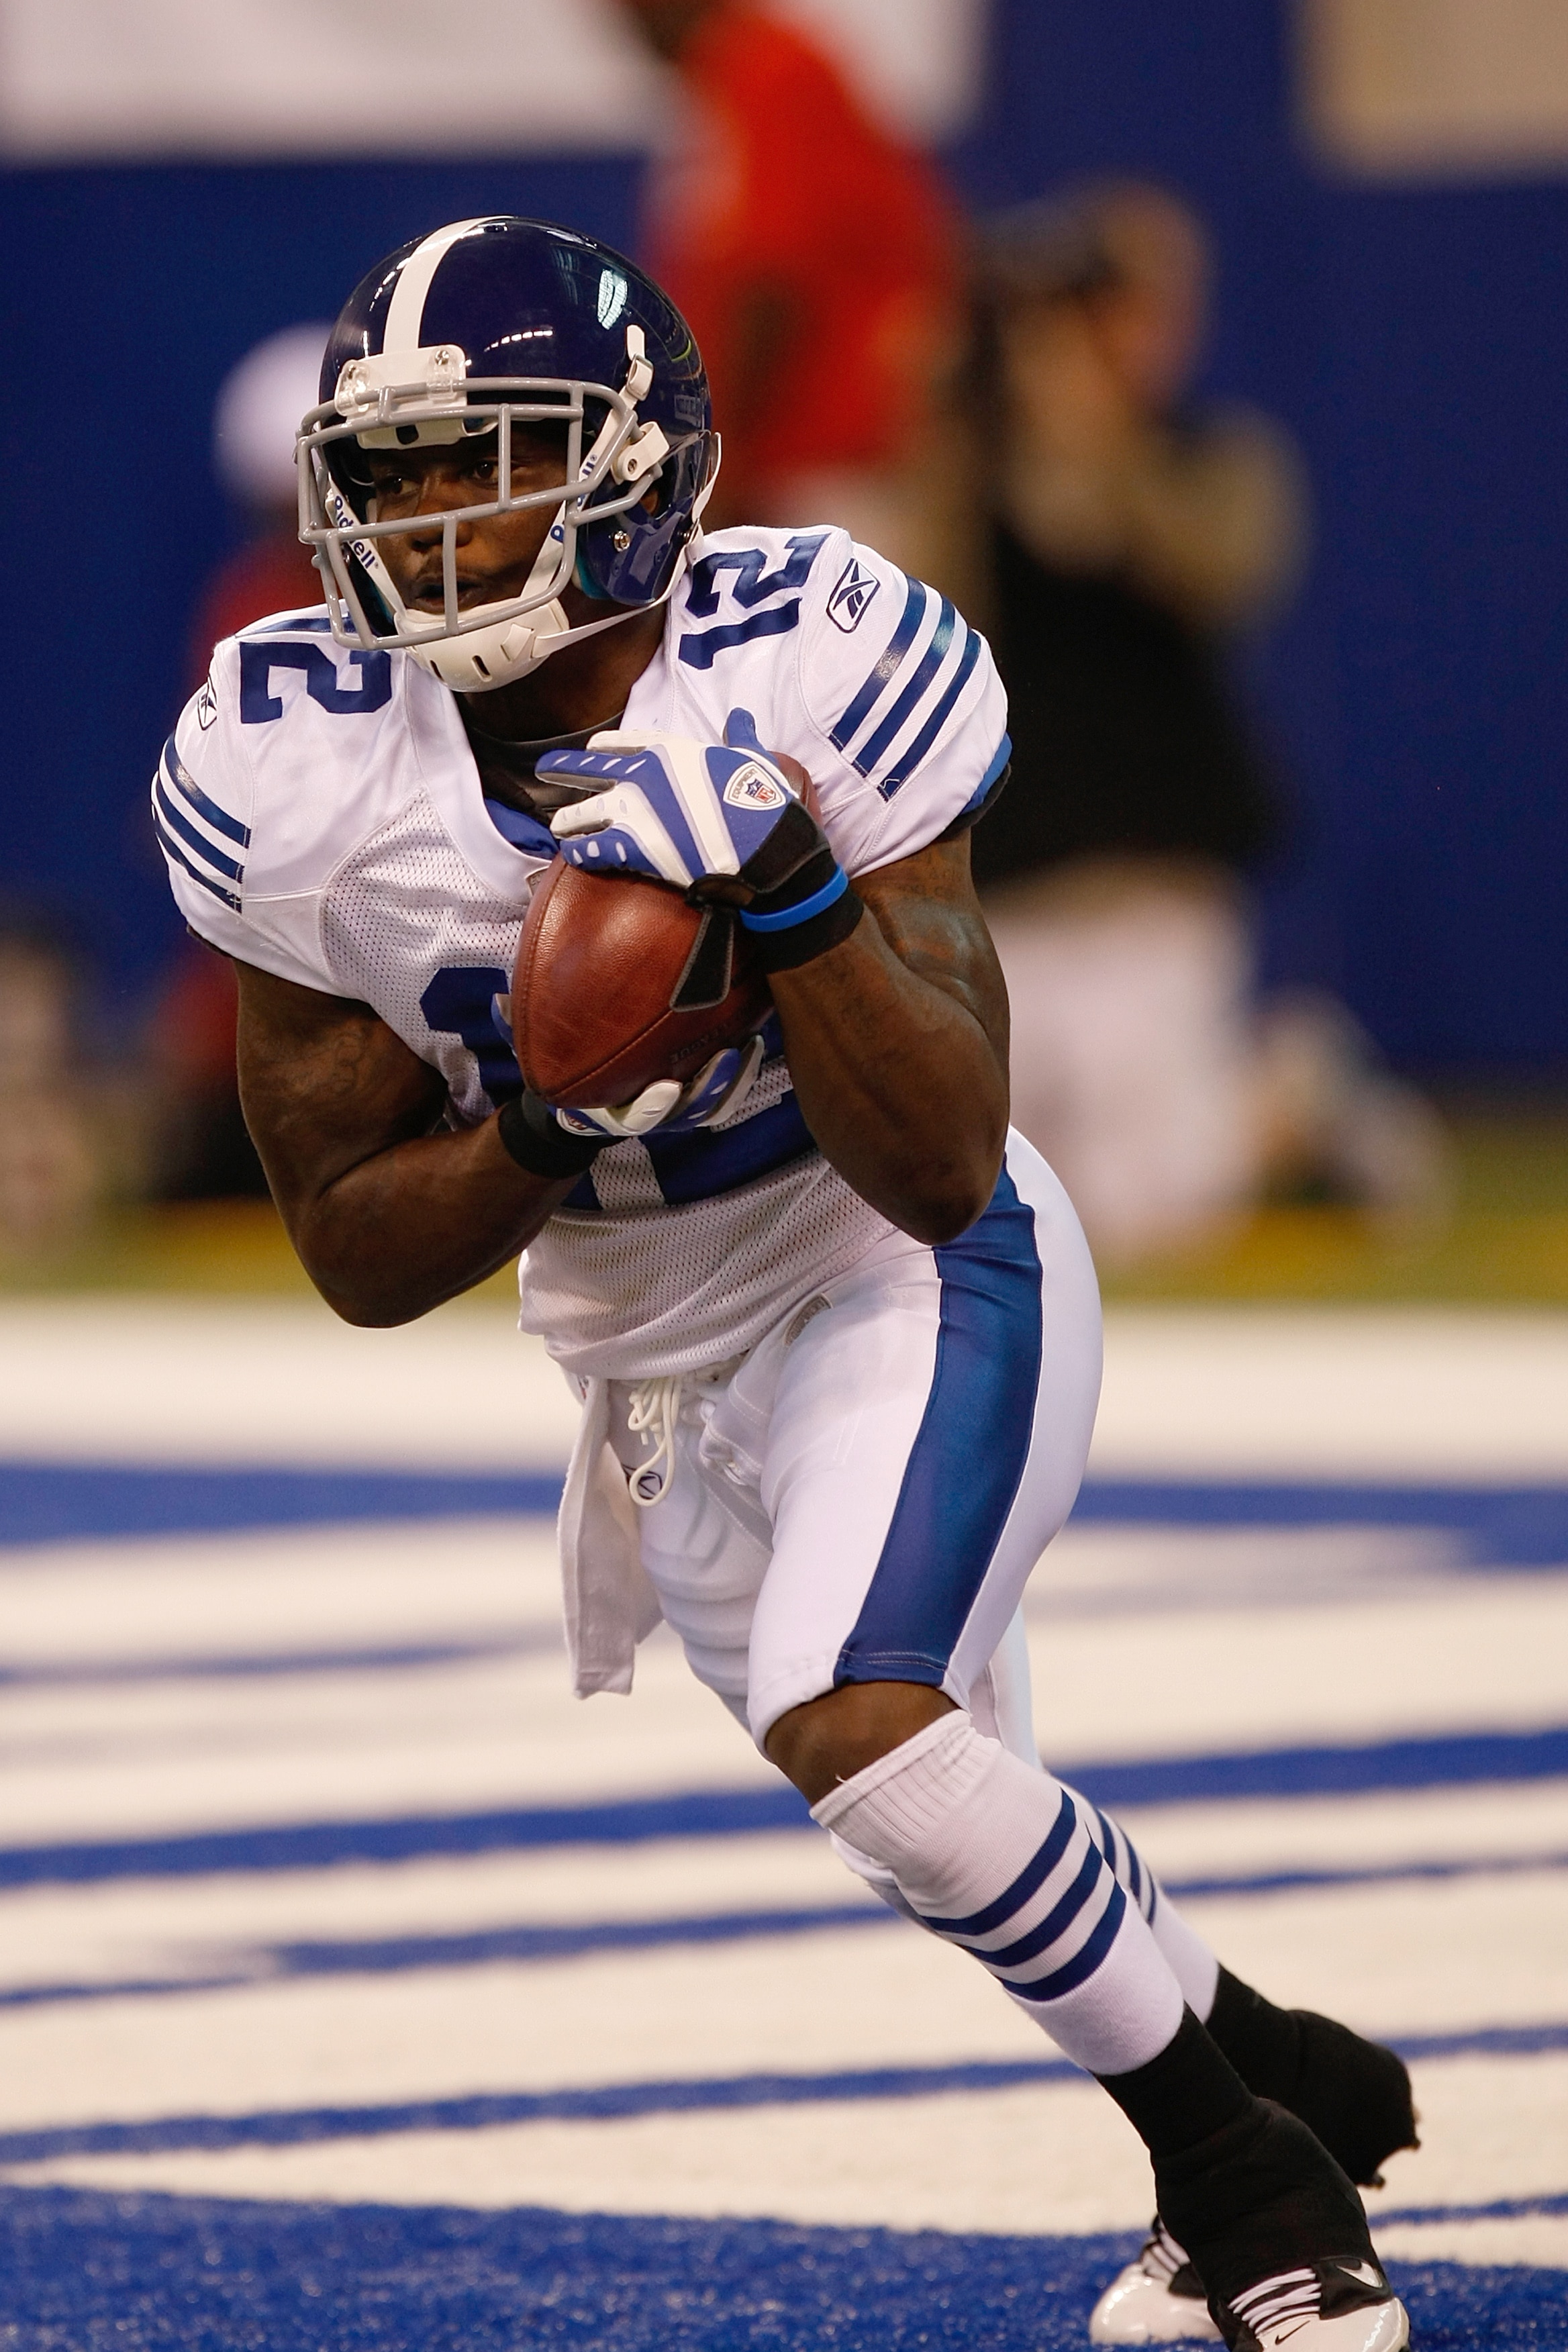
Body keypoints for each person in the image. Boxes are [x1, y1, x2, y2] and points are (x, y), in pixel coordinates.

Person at [151, 216, 1416, 2349]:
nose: (430, 518)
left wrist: (792, 888)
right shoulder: (296, 764)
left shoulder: (809, 643)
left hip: (901, 1256)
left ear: (635, 466)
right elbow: (354, 1251)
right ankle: (1283, 2061)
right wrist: (557, 1115)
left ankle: (1250, 2190)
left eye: (490, 457)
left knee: (872, 1729)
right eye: (393, 471)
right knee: (926, 1821)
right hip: (644, 1352)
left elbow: (933, 1146)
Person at [968, 185, 1304, 1259]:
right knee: (981, 1206)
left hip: (1152, 897)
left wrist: (1095, 432)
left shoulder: (1217, 460)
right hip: (1008, 901)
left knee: (1154, 1211)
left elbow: (1213, 566)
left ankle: (1299, 1105)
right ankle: (1276, 1096)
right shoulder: (966, 472)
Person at [620, 0, 961, 579]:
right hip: (791, 471)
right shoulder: (727, 77)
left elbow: (771, 289)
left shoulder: (770, 69)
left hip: (827, 470)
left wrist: (717, 460)